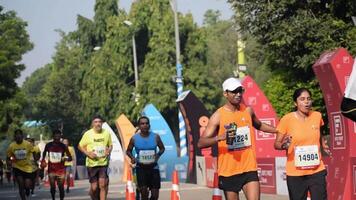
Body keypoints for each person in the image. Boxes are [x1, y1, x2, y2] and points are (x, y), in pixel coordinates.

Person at [197, 77, 281, 200]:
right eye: (234, 91)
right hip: (228, 171)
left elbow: (259, 125)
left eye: (240, 91)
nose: (238, 94)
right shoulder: (218, 116)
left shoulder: (248, 111)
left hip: (249, 168)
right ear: (225, 93)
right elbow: (201, 143)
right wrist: (220, 137)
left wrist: (278, 130)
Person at [274, 88, 330, 200]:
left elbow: (320, 133)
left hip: (316, 169)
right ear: (295, 102)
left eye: (309, 99)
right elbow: (276, 144)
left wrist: (323, 144)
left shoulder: (317, 116)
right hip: (295, 173)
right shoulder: (287, 119)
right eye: (302, 99)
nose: (306, 102)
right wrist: (283, 145)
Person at [126, 116, 165, 200]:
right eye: (142, 124)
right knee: (144, 195)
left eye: (147, 123)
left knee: (155, 196)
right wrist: (132, 158)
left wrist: (157, 155)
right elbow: (128, 151)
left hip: (154, 168)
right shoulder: (134, 138)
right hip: (141, 168)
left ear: (149, 125)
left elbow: (162, 148)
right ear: (139, 126)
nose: (145, 125)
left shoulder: (156, 137)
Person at [78, 115, 112, 200]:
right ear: (93, 124)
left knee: (103, 185)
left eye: (99, 122)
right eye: (95, 122)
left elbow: (110, 145)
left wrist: (108, 151)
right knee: (94, 188)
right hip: (91, 164)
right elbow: (80, 146)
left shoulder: (106, 133)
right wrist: (88, 153)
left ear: (102, 123)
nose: (98, 124)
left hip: (103, 163)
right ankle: (92, 193)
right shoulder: (88, 134)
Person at [6, 129, 39, 200]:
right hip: (17, 167)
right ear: (14, 137)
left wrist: (36, 160)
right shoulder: (11, 146)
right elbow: (8, 157)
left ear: (22, 136)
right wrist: (8, 164)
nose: (18, 136)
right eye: (16, 135)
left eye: (19, 135)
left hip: (27, 167)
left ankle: (27, 190)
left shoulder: (27, 144)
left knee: (27, 185)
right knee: (21, 184)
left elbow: (33, 151)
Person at [41, 129, 72, 200]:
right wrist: (43, 160)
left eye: (59, 136)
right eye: (56, 136)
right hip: (51, 169)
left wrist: (66, 158)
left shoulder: (63, 146)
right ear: (53, 137)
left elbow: (70, 157)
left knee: (61, 187)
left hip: (61, 170)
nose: (57, 138)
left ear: (60, 137)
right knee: (52, 187)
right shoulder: (48, 145)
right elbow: (44, 153)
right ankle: (53, 198)